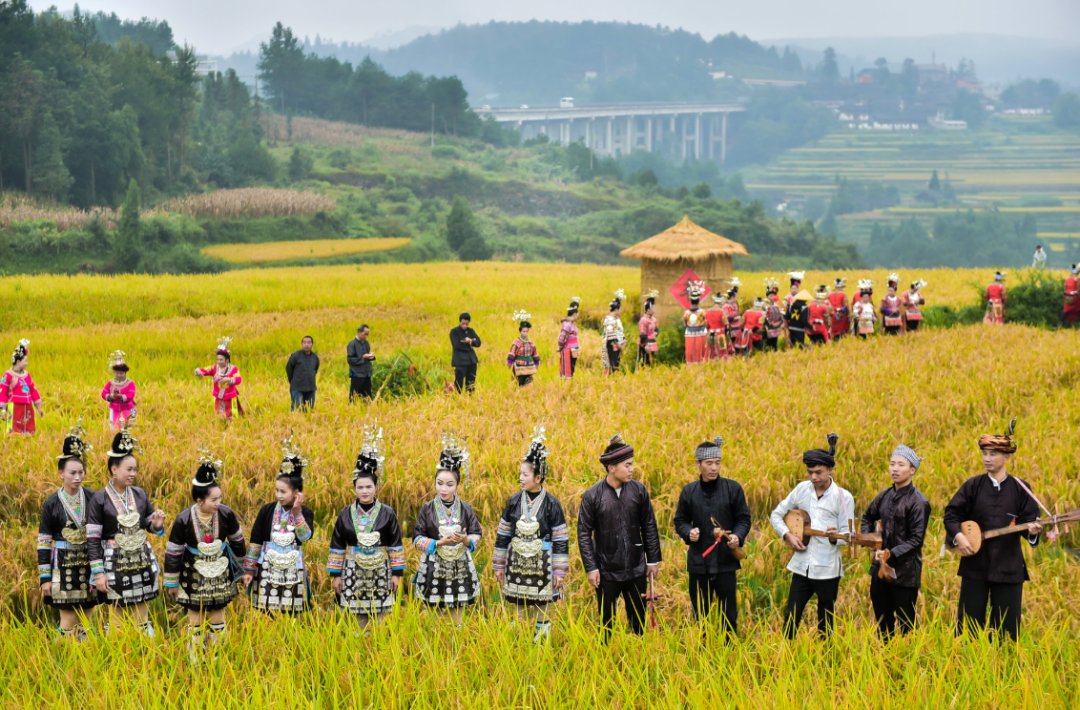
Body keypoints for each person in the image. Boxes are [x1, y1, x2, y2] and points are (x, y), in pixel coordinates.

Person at [943, 420, 1042, 641]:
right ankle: (966, 661)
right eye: (985, 454)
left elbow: (1029, 522)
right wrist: (959, 536)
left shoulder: (1021, 488)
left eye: (993, 454)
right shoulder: (973, 485)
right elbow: (951, 514)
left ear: (1007, 457)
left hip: (1008, 566)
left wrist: (1033, 532)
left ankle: (1004, 661)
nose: (987, 458)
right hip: (974, 564)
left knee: (1007, 633)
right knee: (967, 629)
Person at [769, 433, 854, 639]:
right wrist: (787, 535)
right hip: (802, 565)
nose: (814, 477)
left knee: (825, 619)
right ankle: (785, 652)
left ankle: (826, 654)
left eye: (818, 472)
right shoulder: (802, 489)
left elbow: (849, 534)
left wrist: (835, 537)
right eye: (810, 472)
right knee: (791, 614)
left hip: (827, 569)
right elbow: (776, 514)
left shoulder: (843, 497)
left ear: (830, 470)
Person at [577, 435, 662, 638]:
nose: (632, 469)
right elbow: (583, 533)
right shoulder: (592, 496)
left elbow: (649, 526)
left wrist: (652, 560)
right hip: (606, 571)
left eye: (632, 464)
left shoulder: (638, 491)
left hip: (636, 568)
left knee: (638, 622)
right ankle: (605, 654)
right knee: (606, 624)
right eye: (627, 465)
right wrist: (591, 567)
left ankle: (638, 653)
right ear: (611, 468)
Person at [492, 427, 570, 642]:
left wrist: (559, 571)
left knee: (542, 606)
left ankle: (541, 644)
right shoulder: (513, 501)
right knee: (517, 605)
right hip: (516, 562)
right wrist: (499, 565)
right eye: (520, 474)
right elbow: (503, 534)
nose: (520, 478)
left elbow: (561, 539)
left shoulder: (552, 504)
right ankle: (517, 644)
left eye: (525, 475)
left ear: (538, 477)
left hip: (542, 563)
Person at [86, 428, 166, 637]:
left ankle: (146, 651)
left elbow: (147, 523)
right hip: (114, 561)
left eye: (135, 469)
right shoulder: (99, 499)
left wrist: (156, 525)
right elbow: (92, 539)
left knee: (142, 612)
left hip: (140, 558)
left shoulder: (139, 494)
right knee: (117, 614)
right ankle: (116, 651)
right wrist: (98, 573)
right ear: (114, 469)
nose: (133, 474)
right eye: (128, 469)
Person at [164, 453, 246, 653]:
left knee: (218, 615)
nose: (218, 502)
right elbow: (173, 552)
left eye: (220, 498)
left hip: (220, 573)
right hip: (193, 573)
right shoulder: (184, 519)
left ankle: (218, 656)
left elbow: (237, 541)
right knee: (196, 617)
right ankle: (195, 658)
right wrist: (171, 582)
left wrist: (243, 570)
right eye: (213, 499)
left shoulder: (226, 514)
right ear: (200, 500)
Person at [673, 437, 751, 635]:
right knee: (700, 615)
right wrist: (688, 532)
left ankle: (729, 647)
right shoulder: (689, 491)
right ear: (698, 464)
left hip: (726, 562)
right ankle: (702, 649)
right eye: (709, 463)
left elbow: (743, 519)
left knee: (729, 615)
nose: (714, 468)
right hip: (699, 562)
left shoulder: (733, 489)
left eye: (717, 462)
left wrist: (737, 537)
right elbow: (680, 520)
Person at [328, 426, 405, 627]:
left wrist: (397, 574)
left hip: (381, 569)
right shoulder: (345, 513)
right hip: (353, 569)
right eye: (360, 487)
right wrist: (336, 575)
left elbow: (395, 543)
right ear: (354, 488)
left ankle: (380, 643)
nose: (364, 491)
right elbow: (337, 544)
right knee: (357, 618)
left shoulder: (387, 512)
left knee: (381, 619)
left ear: (376, 487)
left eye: (368, 487)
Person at [860, 444, 931, 639]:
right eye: (892, 464)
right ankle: (885, 655)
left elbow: (916, 540)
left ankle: (907, 655)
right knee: (883, 622)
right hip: (880, 570)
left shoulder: (919, 502)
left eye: (901, 465)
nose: (895, 469)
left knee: (906, 625)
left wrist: (891, 553)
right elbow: (867, 517)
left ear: (912, 470)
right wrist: (871, 540)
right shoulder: (885, 495)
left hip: (905, 573)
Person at [412, 434, 483, 622]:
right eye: (440, 483)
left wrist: (466, 540)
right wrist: (438, 543)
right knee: (434, 617)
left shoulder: (465, 508)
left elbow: (477, 533)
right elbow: (417, 538)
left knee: (457, 617)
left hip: (460, 567)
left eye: (449, 484)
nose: (444, 489)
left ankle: (456, 639)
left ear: (457, 485)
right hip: (434, 566)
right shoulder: (427, 509)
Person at [241, 437, 315, 614]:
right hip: (267, 570)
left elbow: (305, 537)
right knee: (266, 613)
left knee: (292, 614)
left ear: (296, 493)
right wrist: (249, 570)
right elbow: (256, 541)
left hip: (293, 571)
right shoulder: (267, 510)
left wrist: (297, 512)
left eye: (283, 491)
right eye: (277, 490)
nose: (279, 495)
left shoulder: (305, 512)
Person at [38, 422, 98, 639]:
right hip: (62, 565)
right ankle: (63, 655)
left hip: (88, 564)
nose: (77, 477)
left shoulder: (92, 497)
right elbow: (44, 542)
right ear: (61, 473)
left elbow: (100, 534)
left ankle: (88, 655)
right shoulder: (51, 503)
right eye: (72, 473)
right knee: (68, 620)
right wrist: (45, 578)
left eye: (81, 472)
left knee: (87, 619)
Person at [193, 337, 242, 421]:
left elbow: (238, 379)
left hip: (230, 397)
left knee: (231, 416)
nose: (219, 361)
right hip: (219, 397)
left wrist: (229, 380)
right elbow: (204, 370)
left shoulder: (233, 369)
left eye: (221, 359)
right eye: (217, 359)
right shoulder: (214, 368)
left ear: (227, 360)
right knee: (219, 416)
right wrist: (198, 371)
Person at [1, 339, 44, 435]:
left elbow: (33, 390)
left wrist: (39, 407)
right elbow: (2, 392)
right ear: (18, 362)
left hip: (27, 408)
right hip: (13, 408)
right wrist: (3, 409)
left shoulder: (27, 375)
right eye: (25, 361)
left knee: (28, 433)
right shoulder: (8, 375)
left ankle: (27, 443)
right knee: (13, 434)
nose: (27, 363)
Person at [101, 351, 136, 431]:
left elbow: (131, 395)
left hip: (127, 409)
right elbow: (103, 393)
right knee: (114, 427)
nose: (119, 375)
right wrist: (110, 396)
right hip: (114, 409)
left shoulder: (130, 383)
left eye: (121, 373)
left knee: (127, 428)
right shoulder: (111, 383)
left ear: (125, 373)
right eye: (117, 373)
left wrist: (121, 396)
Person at [449, 313, 482, 393]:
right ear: (460, 321)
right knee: (458, 384)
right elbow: (456, 345)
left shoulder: (471, 331)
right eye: (463, 323)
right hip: (460, 361)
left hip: (471, 361)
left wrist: (471, 341)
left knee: (471, 384)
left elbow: (478, 342)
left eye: (467, 324)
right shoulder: (454, 332)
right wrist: (469, 343)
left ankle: (470, 398)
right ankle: (457, 398)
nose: (465, 326)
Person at [286, 335, 320, 411]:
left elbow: (315, 369)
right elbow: (289, 368)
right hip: (297, 387)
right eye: (304, 342)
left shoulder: (315, 357)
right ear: (302, 344)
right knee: (296, 410)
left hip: (310, 388)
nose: (306, 344)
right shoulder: (295, 356)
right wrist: (292, 381)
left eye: (308, 342)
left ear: (312, 344)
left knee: (309, 410)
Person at [507, 310, 540, 387]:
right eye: (523, 331)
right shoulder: (516, 342)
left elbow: (535, 353)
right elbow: (512, 353)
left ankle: (527, 393)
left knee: (529, 383)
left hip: (529, 367)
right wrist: (510, 362)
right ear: (520, 331)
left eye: (526, 331)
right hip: (519, 367)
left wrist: (537, 362)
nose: (525, 333)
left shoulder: (531, 343)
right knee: (519, 383)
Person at [346, 325, 376, 402]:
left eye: (367, 334)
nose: (366, 336)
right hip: (356, 375)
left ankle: (367, 409)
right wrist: (363, 357)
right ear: (359, 332)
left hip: (367, 374)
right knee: (354, 397)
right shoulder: (352, 344)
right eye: (365, 334)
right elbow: (350, 360)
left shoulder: (366, 343)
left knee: (367, 397)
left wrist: (371, 356)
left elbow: (367, 357)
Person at [601, 291, 626, 376]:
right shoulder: (609, 320)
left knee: (616, 364)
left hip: (617, 345)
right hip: (612, 345)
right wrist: (618, 344)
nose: (620, 312)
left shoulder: (617, 320)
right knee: (613, 365)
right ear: (616, 310)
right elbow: (611, 335)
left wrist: (623, 342)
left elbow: (620, 332)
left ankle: (614, 380)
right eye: (619, 310)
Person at [683, 281, 708, 364]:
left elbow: (684, 325)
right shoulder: (703, 312)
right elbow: (706, 324)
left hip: (689, 336)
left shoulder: (686, 313)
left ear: (690, 301)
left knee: (690, 355)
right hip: (701, 336)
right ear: (699, 301)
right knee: (700, 355)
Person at [557, 297, 581, 379]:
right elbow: (561, 338)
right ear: (574, 314)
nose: (578, 315)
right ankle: (567, 385)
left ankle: (570, 384)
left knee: (572, 370)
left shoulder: (571, 323)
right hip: (568, 350)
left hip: (573, 350)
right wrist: (561, 347)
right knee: (568, 371)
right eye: (577, 313)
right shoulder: (567, 324)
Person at [637, 291, 659, 367]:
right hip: (645, 343)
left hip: (652, 342)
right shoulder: (643, 320)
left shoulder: (654, 319)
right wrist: (645, 344)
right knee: (645, 362)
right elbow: (642, 333)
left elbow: (656, 329)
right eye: (653, 308)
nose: (654, 309)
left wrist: (656, 332)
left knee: (653, 362)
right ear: (648, 309)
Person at [705, 293, 729, 361]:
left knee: (710, 351)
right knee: (722, 351)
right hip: (720, 334)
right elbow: (726, 324)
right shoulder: (722, 312)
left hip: (710, 334)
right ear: (721, 302)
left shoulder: (707, 311)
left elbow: (706, 325)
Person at [722, 280, 743, 358]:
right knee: (731, 344)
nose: (737, 298)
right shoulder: (726, 306)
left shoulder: (735, 305)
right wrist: (736, 318)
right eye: (736, 296)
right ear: (732, 297)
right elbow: (727, 318)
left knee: (738, 344)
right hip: (731, 328)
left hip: (737, 328)